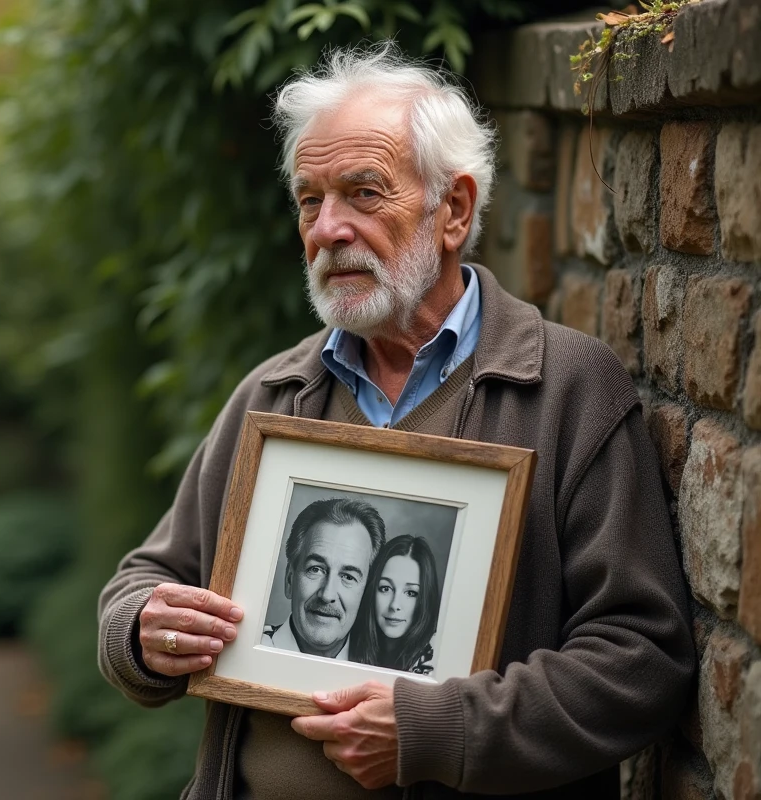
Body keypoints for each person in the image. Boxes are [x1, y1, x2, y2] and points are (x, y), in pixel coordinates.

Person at [98, 43, 693, 800]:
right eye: (311, 201)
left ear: (454, 210)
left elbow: (641, 658)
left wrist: (436, 731)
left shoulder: (570, 389)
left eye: (364, 193)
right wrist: (144, 632)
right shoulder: (274, 395)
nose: (329, 229)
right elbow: (145, 581)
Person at [260, 497, 386, 659]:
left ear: (366, 593)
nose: (327, 595)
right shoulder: (242, 650)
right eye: (316, 569)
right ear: (290, 579)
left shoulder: (387, 669)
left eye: (348, 576)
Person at [350, 535, 441, 675]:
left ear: (426, 598)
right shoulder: (350, 643)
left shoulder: (437, 658)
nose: (395, 605)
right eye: (385, 588)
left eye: (411, 593)